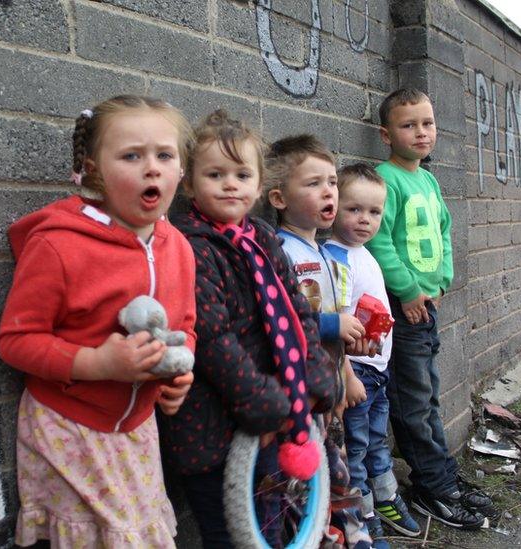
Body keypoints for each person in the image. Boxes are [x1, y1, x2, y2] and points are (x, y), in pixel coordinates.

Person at [0, 95, 197, 548]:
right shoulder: (59, 245)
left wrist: (180, 372)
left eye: (165, 155)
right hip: (71, 427)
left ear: (181, 170)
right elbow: (16, 340)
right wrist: (97, 363)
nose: (152, 169)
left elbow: (185, 325)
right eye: (131, 156)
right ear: (93, 170)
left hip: (136, 429)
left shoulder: (179, 247)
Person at [159, 110, 338, 547]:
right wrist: (264, 402)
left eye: (242, 174)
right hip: (214, 428)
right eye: (215, 174)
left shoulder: (261, 236)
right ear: (189, 183)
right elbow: (213, 338)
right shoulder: (189, 245)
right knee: (228, 534)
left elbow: (298, 311)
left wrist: (315, 374)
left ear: (259, 186)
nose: (229, 184)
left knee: (271, 520)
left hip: (276, 415)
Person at [365, 88, 496, 529]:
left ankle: (443, 478)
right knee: (413, 403)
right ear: (386, 134)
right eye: (408, 125)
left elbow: (443, 230)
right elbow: (379, 240)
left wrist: (441, 281)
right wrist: (406, 289)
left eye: (427, 123)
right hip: (403, 313)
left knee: (428, 397)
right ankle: (432, 487)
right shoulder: (386, 178)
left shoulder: (429, 179)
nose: (421, 133)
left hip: (428, 308)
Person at [266, 135, 375, 549]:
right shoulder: (281, 252)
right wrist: (332, 325)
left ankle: (350, 537)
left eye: (331, 181)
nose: (328, 190)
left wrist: (346, 371)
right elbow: (285, 320)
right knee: (303, 485)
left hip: (330, 392)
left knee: (340, 471)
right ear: (279, 197)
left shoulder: (328, 254)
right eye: (313, 184)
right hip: (302, 398)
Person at [326, 163, 422, 540]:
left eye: (374, 212)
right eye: (354, 209)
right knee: (358, 450)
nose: (365, 220)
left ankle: (384, 499)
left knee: (377, 444)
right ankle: (365, 522)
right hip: (357, 375)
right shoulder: (336, 258)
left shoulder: (364, 253)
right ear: (333, 208)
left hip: (377, 371)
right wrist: (346, 374)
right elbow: (336, 322)